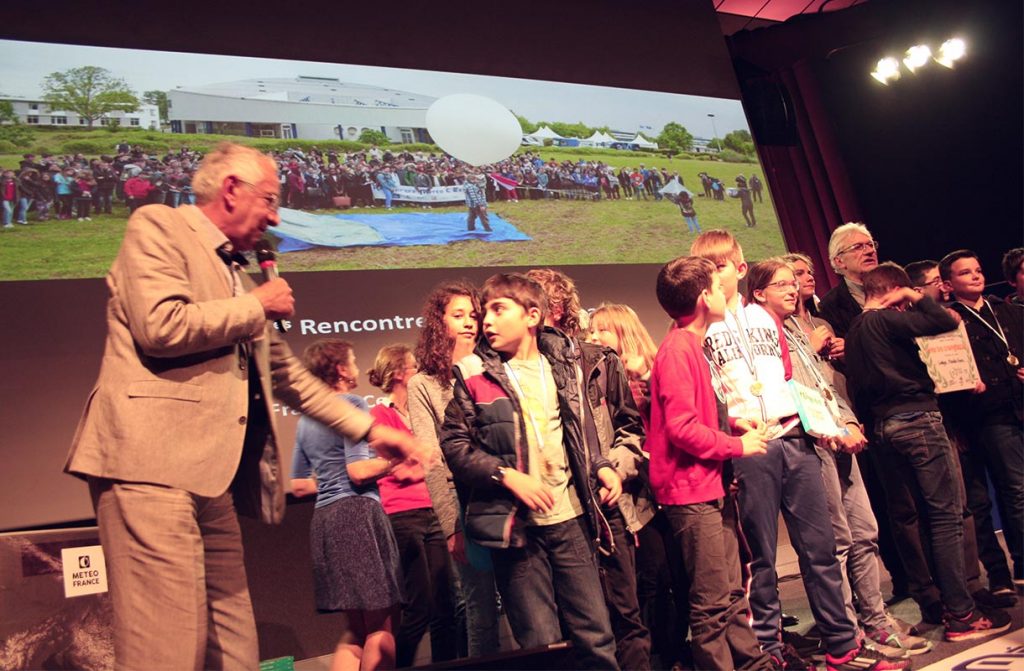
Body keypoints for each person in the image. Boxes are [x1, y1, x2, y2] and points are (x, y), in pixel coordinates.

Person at [63, 142, 423, 671]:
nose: (276, 217)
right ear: (231, 189)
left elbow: (286, 375)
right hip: (148, 467)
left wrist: (370, 427)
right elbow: (160, 326)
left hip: (213, 478)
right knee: (165, 649)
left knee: (234, 647)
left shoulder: (235, 271)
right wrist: (257, 304)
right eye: (271, 200)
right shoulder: (159, 225)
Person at [690, 230, 909, 671]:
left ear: (739, 266)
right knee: (763, 558)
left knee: (821, 548)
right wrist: (735, 425)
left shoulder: (764, 318)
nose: (717, 274)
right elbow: (708, 391)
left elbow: (790, 375)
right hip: (752, 448)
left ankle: (842, 646)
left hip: (795, 437)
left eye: (723, 264)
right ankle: (769, 651)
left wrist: (821, 424)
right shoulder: (702, 328)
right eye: (707, 267)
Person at [440, 273, 623, 670]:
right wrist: (506, 475)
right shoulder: (472, 374)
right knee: (540, 644)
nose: (485, 320)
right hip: (517, 528)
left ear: (532, 316)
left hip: (570, 518)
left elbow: (579, 431)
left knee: (596, 635)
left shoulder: (565, 364)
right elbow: (454, 447)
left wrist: (601, 465)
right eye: (481, 312)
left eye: (497, 309)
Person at [754, 258, 932, 657]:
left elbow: (825, 385)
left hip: (840, 436)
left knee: (865, 532)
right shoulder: (763, 337)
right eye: (783, 282)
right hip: (811, 444)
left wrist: (849, 421)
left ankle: (875, 620)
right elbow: (791, 394)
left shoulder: (803, 329)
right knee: (835, 543)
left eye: (794, 281)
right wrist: (832, 430)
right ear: (758, 293)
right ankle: (848, 632)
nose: (793, 287)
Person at [844, 263, 1012, 642]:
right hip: (917, 421)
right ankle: (961, 614)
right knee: (946, 518)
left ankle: (939, 605)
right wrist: (915, 296)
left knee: (919, 518)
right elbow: (943, 322)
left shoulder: (854, 330)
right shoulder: (883, 320)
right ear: (892, 292)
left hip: (886, 428)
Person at [648, 255, 772, 671]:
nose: (725, 294)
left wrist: (732, 422)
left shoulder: (691, 347)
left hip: (709, 487)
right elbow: (681, 429)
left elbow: (693, 416)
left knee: (732, 592)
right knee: (710, 603)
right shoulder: (677, 351)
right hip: (691, 492)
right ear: (704, 297)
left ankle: (752, 663)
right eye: (719, 288)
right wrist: (738, 446)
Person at [528, 268, 653, 671]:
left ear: (557, 308)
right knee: (575, 625)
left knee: (626, 614)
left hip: (607, 506)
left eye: (533, 305)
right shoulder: (520, 371)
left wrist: (611, 469)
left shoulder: (599, 361)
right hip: (556, 509)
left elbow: (631, 431)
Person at [290, 340, 405, 671]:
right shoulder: (350, 404)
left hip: (325, 520)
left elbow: (298, 486)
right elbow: (358, 472)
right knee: (381, 629)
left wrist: (329, 480)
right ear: (341, 369)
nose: (357, 367)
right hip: (357, 515)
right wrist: (394, 461)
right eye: (353, 361)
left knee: (355, 630)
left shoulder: (304, 420)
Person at [407, 280, 501, 658]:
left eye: (474, 315)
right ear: (439, 323)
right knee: (480, 611)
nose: (469, 323)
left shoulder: (495, 367)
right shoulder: (424, 385)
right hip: (466, 506)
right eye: (458, 315)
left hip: (508, 498)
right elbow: (431, 458)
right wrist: (451, 525)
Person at [368, 344, 458, 668]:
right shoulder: (380, 414)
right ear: (397, 373)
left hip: (434, 510)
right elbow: (387, 460)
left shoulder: (422, 412)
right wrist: (405, 460)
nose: (419, 369)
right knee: (419, 607)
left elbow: (434, 457)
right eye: (413, 365)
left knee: (447, 604)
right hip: (402, 515)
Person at [938, 250, 1023, 590]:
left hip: (1018, 407)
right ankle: (1003, 571)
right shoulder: (945, 320)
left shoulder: (1008, 311)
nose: (975, 276)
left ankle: (1019, 564)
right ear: (948, 284)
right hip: (983, 416)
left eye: (978, 270)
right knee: (1008, 493)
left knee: (1015, 490)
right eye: (964, 273)